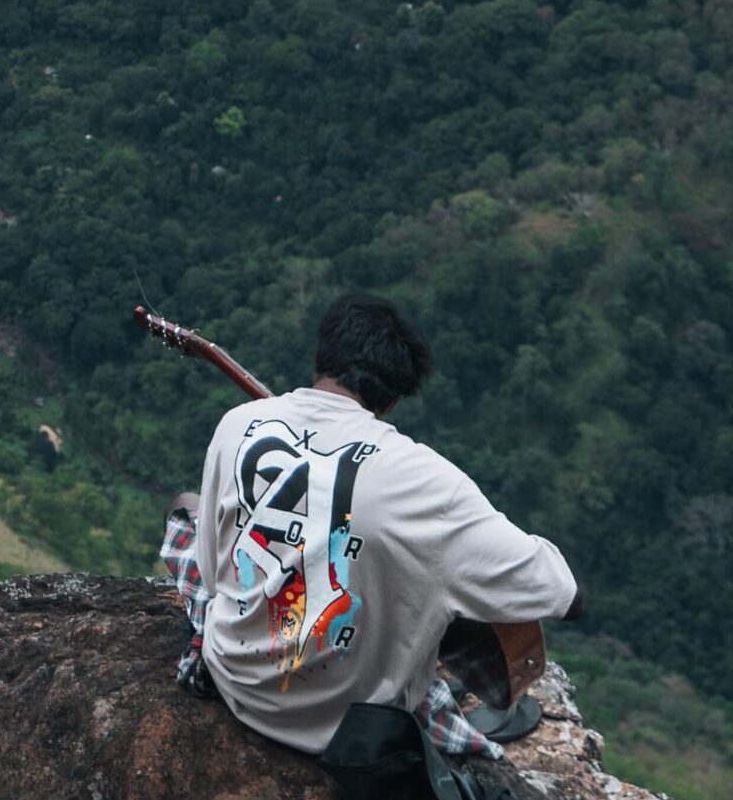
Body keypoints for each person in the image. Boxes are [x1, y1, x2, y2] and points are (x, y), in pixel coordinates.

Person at [161, 291, 579, 762]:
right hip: (349, 728)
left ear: (320, 355)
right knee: (413, 569)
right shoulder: (430, 485)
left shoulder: (239, 424)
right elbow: (562, 592)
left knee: (187, 507)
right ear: (397, 396)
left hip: (236, 684)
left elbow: (217, 580)